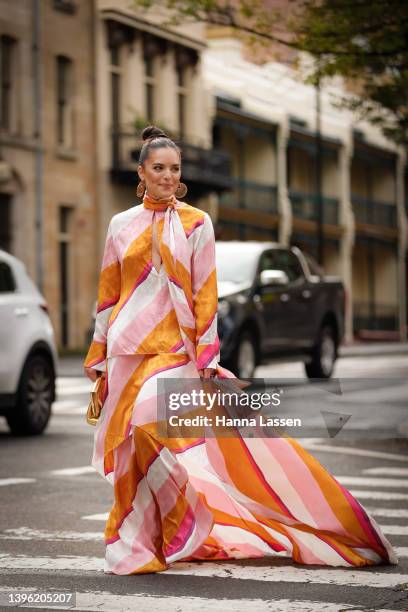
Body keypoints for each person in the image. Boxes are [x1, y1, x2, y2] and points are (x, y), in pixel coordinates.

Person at [84, 125, 398, 575]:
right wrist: (97, 359)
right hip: (128, 351)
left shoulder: (196, 223)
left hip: (176, 351)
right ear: (142, 172)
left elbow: (205, 293)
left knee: (150, 422)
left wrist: (208, 356)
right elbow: (108, 295)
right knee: (133, 447)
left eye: (175, 169)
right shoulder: (120, 225)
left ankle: (187, 520)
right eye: (159, 168)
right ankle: (143, 542)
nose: (168, 176)